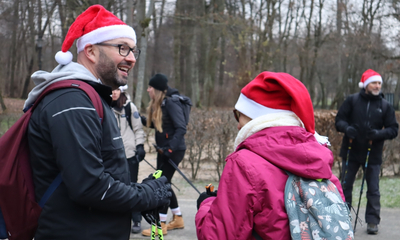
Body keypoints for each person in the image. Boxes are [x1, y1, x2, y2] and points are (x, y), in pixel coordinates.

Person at [24, 5, 171, 240]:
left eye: (134, 50)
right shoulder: (72, 101)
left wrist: (142, 190)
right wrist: (146, 195)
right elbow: (89, 186)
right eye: (122, 48)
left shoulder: (88, 97)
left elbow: (100, 176)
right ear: (91, 51)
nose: (131, 58)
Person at [195, 71, 345, 240]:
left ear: (258, 117)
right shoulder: (320, 161)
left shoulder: (244, 164)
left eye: (240, 115)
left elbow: (217, 236)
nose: (238, 125)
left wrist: (206, 205)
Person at [335, 69, 398, 234]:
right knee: (345, 186)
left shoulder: (385, 106)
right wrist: (347, 129)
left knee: (373, 189)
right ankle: (343, 217)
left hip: (373, 154)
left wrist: (378, 134)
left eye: (379, 83)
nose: (377, 86)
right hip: (351, 151)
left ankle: (372, 221)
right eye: (374, 83)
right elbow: (339, 120)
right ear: (365, 84)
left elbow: (393, 129)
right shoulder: (352, 100)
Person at [140, 73, 186, 236]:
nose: (148, 90)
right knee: (165, 183)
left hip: (172, 151)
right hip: (163, 150)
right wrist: (139, 118)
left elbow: (181, 128)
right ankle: (178, 217)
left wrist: (170, 149)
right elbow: (160, 126)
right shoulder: (161, 104)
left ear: (157, 89)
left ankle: (161, 225)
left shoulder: (172, 103)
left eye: (150, 87)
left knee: (161, 184)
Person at [111, 85, 146, 233]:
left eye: (117, 90)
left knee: (132, 186)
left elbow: (138, 129)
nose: (114, 93)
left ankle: (136, 219)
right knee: (114, 187)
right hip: (112, 155)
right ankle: (116, 218)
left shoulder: (129, 107)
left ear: (122, 91)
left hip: (130, 154)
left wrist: (140, 146)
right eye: (112, 90)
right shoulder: (104, 106)